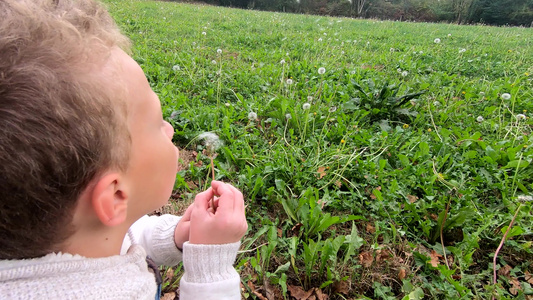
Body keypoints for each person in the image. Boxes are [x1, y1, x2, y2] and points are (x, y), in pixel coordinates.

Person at [0, 0, 248, 299]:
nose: (170, 128)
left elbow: (110, 235)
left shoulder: (55, 240)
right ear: (115, 196)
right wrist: (210, 268)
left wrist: (175, 237)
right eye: (157, 123)